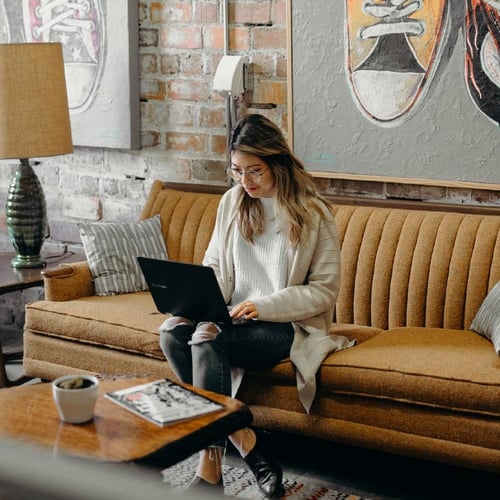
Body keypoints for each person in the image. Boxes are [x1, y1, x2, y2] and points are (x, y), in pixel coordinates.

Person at [159, 113, 354, 497]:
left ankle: (209, 470)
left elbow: (324, 291)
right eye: (236, 171)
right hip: (231, 315)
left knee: (206, 338)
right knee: (172, 332)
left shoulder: (314, 213)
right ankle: (247, 437)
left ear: (277, 164)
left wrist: (261, 306)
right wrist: (197, 301)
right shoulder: (233, 202)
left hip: (284, 325)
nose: (244, 182)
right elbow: (214, 265)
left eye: (254, 172)